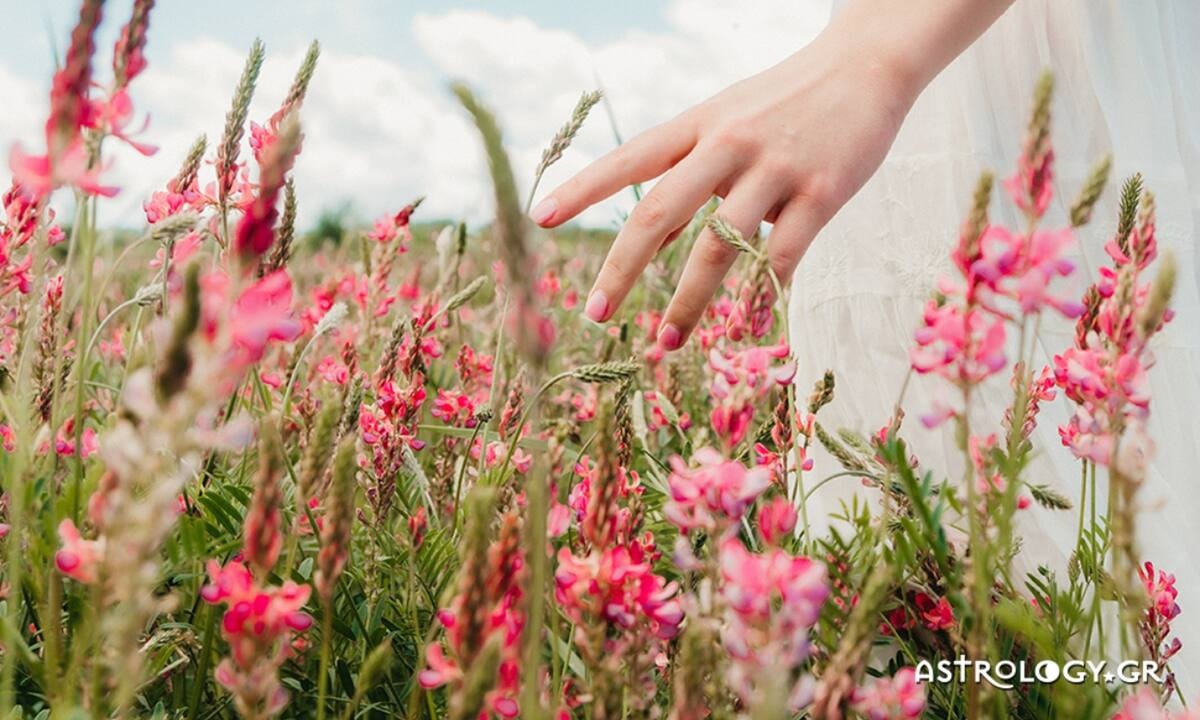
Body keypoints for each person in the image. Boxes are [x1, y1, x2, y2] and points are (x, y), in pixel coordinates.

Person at [530, 0, 1200, 690]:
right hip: (885, 135)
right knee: (882, 631)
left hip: (1043, 79)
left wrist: (868, 59)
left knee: (1113, 637)